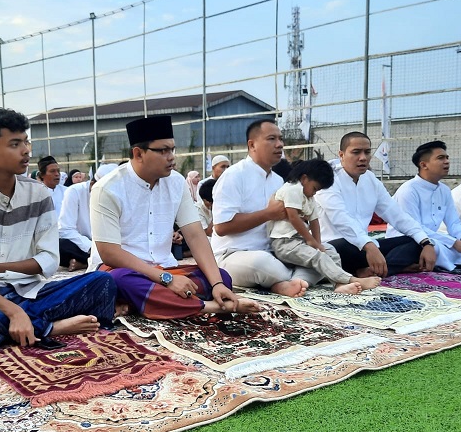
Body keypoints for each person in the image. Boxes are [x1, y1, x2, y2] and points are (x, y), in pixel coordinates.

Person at [0, 108, 117, 353]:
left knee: (102, 281)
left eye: (26, 141)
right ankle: (48, 328)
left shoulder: (38, 194)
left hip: (33, 292)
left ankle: (5, 329)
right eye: (15, 144)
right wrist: (13, 311)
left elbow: (49, 260)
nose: (26, 150)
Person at [90, 115, 261, 319]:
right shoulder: (107, 189)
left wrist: (216, 284)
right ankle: (206, 307)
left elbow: (196, 236)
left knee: (222, 276)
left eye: (172, 149)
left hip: (164, 268)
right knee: (119, 281)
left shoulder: (176, 183)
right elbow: (110, 253)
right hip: (121, 270)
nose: (171, 157)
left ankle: (143, 304)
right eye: (163, 150)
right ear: (138, 153)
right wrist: (167, 279)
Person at [315, 132, 437, 278]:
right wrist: (369, 245)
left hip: (365, 248)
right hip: (334, 246)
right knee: (339, 248)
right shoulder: (328, 178)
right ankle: (388, 267)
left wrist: (426, 242)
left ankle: (372, 271)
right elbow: (340, 218)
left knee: (415, 243)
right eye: (356, 152)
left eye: (367, 152)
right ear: (341, 155)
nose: (363, 158)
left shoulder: (370, 179)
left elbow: (395, 213)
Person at [210, 119, 308, 297]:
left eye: (280, 139)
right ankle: (295, 279)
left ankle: (285, 282)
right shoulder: (234, 175)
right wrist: (268, 214)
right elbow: (222, 227)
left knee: (320, 250)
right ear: (252, 144)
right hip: (233, 255)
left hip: (273, 251)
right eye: (271, 139)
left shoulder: (278, 181)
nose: (279, 145)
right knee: (262, 263)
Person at [269, 159, 381, 294]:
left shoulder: (308, 196)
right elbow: (293, 218)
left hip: (300, 242)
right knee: (318, 257)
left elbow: (314, 220)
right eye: (315, 188)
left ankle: (339, 284)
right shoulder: (292, 189)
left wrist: (318, 244)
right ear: (304, 179)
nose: (314, 193)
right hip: (285, 243)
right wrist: (311, 240)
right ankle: (350, 279)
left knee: (330, 252)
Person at [387, 141, 461, 270]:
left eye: (447, 157)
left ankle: (457, 260)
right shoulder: (408, 190)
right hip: (409, 239)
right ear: (424, 165)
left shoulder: (444, 190)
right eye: (440, 158)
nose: (447, 161)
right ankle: (460, 261)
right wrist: (454, 243)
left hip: (433, 237)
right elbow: (414, 228)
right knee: (431, 246)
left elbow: (453, 223)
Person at [58, 164, 117, 272]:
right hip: (82, 246)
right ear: (92, 184)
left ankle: (84, 263)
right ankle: (92, 262)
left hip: (107, 247)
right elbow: (65, 229)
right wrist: (91, 247)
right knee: (59, 245)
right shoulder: (74, 191)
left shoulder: (114, 197)